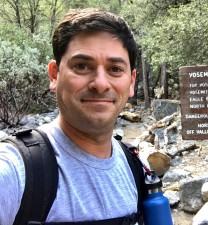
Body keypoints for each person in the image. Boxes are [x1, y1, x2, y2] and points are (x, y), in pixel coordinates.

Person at [0, 8, 143, 224]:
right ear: (55, 75)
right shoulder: (15, 171)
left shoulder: (135, 168)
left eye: (115, 69)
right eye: (82, 66)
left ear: (131, 82)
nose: (101, 84)